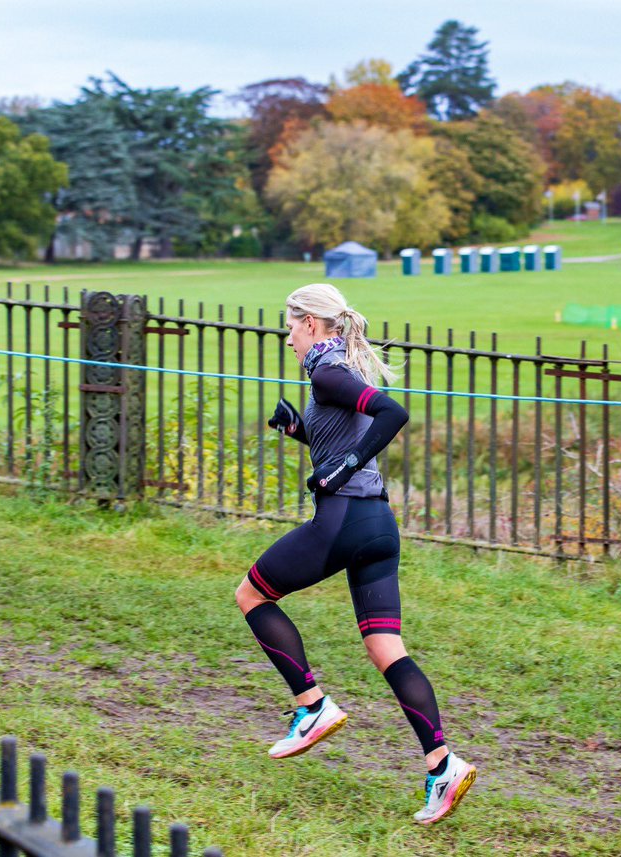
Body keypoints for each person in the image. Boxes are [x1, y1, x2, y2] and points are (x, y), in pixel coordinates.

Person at [235, 283, 476, 825]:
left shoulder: (328, 372)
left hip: (342, 519)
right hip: (377, 526)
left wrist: (340, 468)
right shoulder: (340, 372)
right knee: (386, 647)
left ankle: (312, 706)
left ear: (313, 325)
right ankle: (443, 766)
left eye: (291, 325)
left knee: (251, 594)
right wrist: (301, 431)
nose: (287, 336)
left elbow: (393, 414)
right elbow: (346, 437)